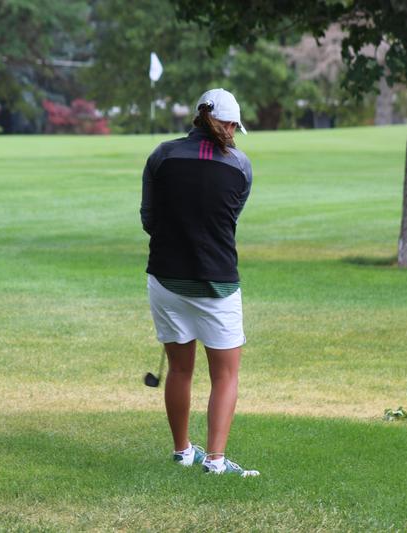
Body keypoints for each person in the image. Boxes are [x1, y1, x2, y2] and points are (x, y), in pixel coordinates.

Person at [140, 88, 258, 477]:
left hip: (166, 279)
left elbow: (149, 218)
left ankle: (182, 451)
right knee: (225, 374)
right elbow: (229, 218)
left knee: (179, 369)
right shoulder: (240, 165)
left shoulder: (161, 155)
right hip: (217, 284)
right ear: (228, 125)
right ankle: (216, 461)